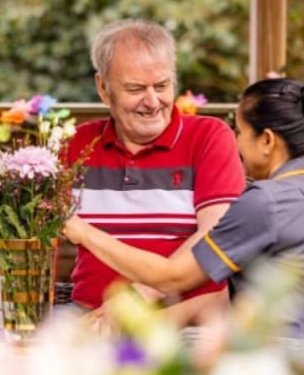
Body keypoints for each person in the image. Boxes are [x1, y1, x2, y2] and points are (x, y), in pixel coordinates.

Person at [63, 77, 304, 339]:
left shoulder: (266, 202)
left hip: (293, 349)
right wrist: (134, 326)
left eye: (240, 132)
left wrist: (84, 232)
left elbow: (171, 276)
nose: (236, 143)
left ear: (267, 141)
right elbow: (222, 298)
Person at [62, 18, 246, 321]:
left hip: (184, 320)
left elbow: (215, 239)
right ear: (104, 88)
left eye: (162, 86)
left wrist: (135, 300)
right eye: (135, 89)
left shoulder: (209, 137)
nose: (152, 102)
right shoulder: (77, 144)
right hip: (88, 315)